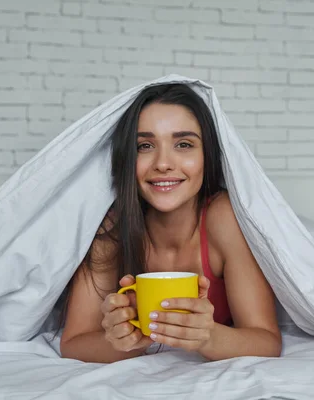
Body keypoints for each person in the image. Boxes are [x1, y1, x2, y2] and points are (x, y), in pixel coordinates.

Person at [59, 83, 282, 363]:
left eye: (184, 144)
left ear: (207, 155)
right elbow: (73, 343)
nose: (163, 163)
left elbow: (266, 341)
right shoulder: (112, 227)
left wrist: (208, 336)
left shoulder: (224, 217)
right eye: (145, 146)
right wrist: (126, 340)